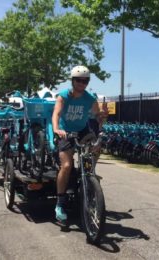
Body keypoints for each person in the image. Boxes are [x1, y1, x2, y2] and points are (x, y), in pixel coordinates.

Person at [52, 65, 108, 222]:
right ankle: (60, 202)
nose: (82, 83)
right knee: (67, 166)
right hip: (65, 132)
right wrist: (56, 129)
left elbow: (97, 116)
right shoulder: (63, 96)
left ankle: (90, 172)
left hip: (83, 130)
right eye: (78, 80)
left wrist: (102, 115)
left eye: (85, 81)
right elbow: (56, 113)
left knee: (97, 146)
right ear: (73, 81)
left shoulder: (90, 98)